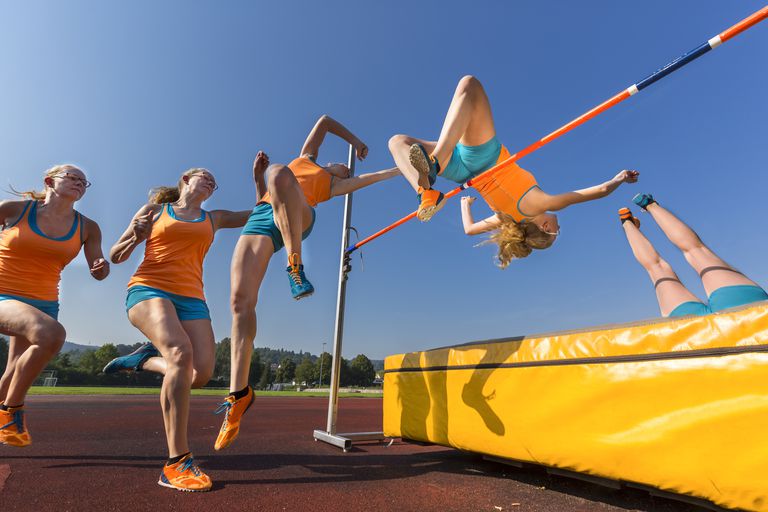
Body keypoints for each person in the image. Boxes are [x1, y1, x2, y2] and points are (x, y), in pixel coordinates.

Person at [215, 115, 399, 451]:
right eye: (340, 166)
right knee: (240, 303)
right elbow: (325, 121)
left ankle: (295, 267)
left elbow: (373, 177)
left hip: (301, 217)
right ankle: (238, 395)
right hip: (263, 216)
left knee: (280, 173)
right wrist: (356, 142)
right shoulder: (307, 157)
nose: (342, 169)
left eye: (345, 171)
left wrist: (402, 169)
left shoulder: (333, 186)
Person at [106, 165, 260, 491]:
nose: (211, 181)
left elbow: (260, 211)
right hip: (149, 289)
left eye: (214, 182)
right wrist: (136, 235)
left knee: (199, 374)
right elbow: (116, 255)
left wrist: (264, 181)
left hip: (192, 299)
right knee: (179, 352)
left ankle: (144, 360)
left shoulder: (213, 218)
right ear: (185, 181)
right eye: (204, 176)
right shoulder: (156, 210)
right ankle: (176, 462)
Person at [388, 75, 639, 267]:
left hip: (483, 158)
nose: (559, 226)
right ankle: (425, 192)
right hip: (462, 174)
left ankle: (432, 170)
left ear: (546, 228)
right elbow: (470, 230)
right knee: (398, 141)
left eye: (556, 230)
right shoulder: (505, 219)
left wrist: (619, 178)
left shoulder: (543, 203)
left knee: (470, 85)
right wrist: (465, 205)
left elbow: (598, 191)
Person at [0, 164, 109, 447]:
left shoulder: (88, 227)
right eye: (72, 178)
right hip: (3, 294)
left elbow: (98, 269)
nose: (79, 183)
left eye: (84, 182)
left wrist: (100, 268)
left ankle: (4, 412)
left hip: (45, 303)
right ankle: (11, 410)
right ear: (50, 181)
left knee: (13, 371)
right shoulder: (14, 210)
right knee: (53, 334)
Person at [619, 193, 768, 318]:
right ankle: (627, 222)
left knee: (693, 250)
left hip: (745, 314)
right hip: (705, 331)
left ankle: (648, 205)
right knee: (657, 268)